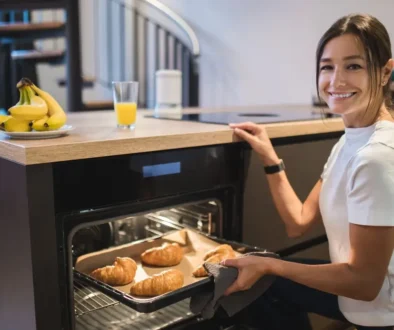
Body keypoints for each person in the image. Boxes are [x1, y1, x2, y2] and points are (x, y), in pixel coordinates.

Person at [223, 13, 394, 330]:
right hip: (366, 298)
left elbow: (365, 284)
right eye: (328, 67)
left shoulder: (376, 157)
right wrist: (269, 156)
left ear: (385, 72)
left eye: (353, 66)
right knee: (264, 280)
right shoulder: (349, 143)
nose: (336, 80)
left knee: (262, 284)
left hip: (379, 310)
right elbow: (298, 222)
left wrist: (272, 266)